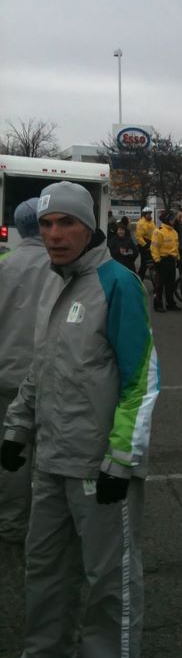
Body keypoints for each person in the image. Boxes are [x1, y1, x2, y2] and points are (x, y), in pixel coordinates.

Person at [1, 181, 159, 658]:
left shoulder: (119, 284)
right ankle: (43, 655)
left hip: (98, 465)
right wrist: (17, 427)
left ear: (89, 227)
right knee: (45, 568)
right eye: (47, 224)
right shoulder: (54, 281)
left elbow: (141, 380)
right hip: (51, 459)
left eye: (67, 223)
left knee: (110, 581)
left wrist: (122, 458)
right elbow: (42, 365)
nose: (54, 234)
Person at [0, 199, 50, 543]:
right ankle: (50, 528)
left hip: (7, 373)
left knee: (12, 453)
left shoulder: (5, 263)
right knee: (53, 456)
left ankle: (11, 522)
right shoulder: (62, 265)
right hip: (52, 376)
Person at [151, 210, 181, 312]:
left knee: (170, 283)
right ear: (167, 219)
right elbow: (154, 247)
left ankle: (170, 303)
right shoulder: (159, 231)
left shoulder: (174, 232)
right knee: (159, 284)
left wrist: (178, 258)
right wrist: (157, 260)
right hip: (162, 260)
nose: (174, 220)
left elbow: (175, 247)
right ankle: (158, 304)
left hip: (171, 260)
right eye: (171, 219)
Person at [134, 206, 155, 281]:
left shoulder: (152, 222)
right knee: (144, 265)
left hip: (152, 245)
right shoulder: (141, 223)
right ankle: (139, 281)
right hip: (144, 246)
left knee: (152, 265)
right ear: (144, 214)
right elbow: (138, 237)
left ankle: (155, 282)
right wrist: (146, 245)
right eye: (148, 214)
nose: (149, 215)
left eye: (150, 213)